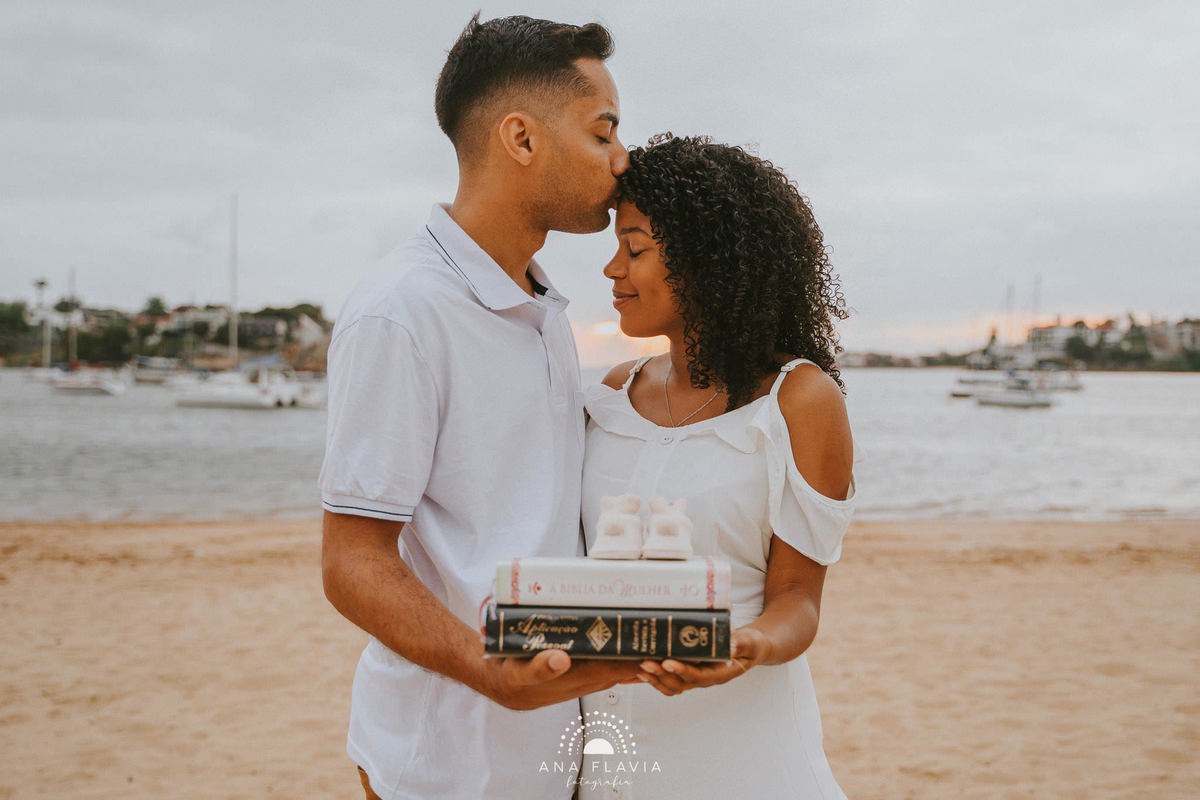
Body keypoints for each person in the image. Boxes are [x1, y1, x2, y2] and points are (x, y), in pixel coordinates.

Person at [318, 15, 641, 800]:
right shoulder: (402, 312)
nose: (622, 159)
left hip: (548, 748)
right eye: (604, 133)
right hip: (444, 763)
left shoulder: (543, 309)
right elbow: (351, 560)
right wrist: (485, 670)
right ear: (521, 139)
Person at [578, 134, 855, 799]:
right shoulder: (611, 394)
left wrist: (747, 646)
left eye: (636, 248)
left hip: (742, 760)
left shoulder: (797, 400)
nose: (613, 269)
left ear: (708, 260)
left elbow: (797, 599)